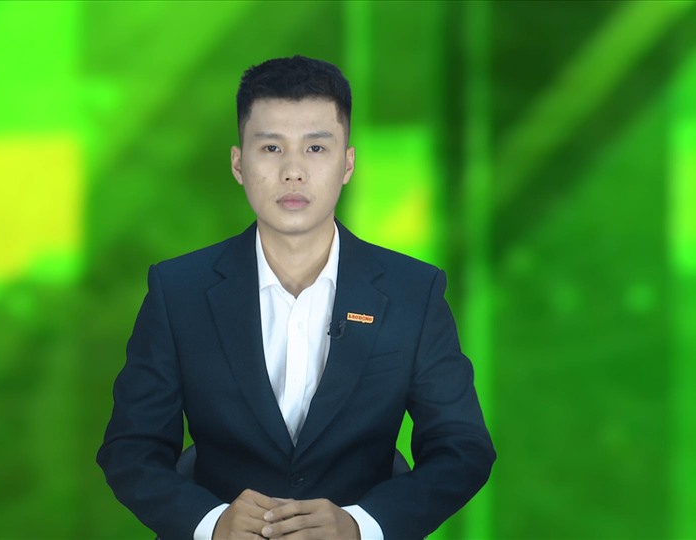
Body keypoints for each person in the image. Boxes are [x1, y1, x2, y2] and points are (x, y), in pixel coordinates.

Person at [97, 55, 495, 540]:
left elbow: (461, 447)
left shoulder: (413, 291)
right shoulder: (178, 290)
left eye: (316, 148)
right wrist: (212, 523)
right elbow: (131, 448)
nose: (293, 171)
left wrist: (359, 525)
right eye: (271, 147)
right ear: (238, 164)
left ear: (347, 164)